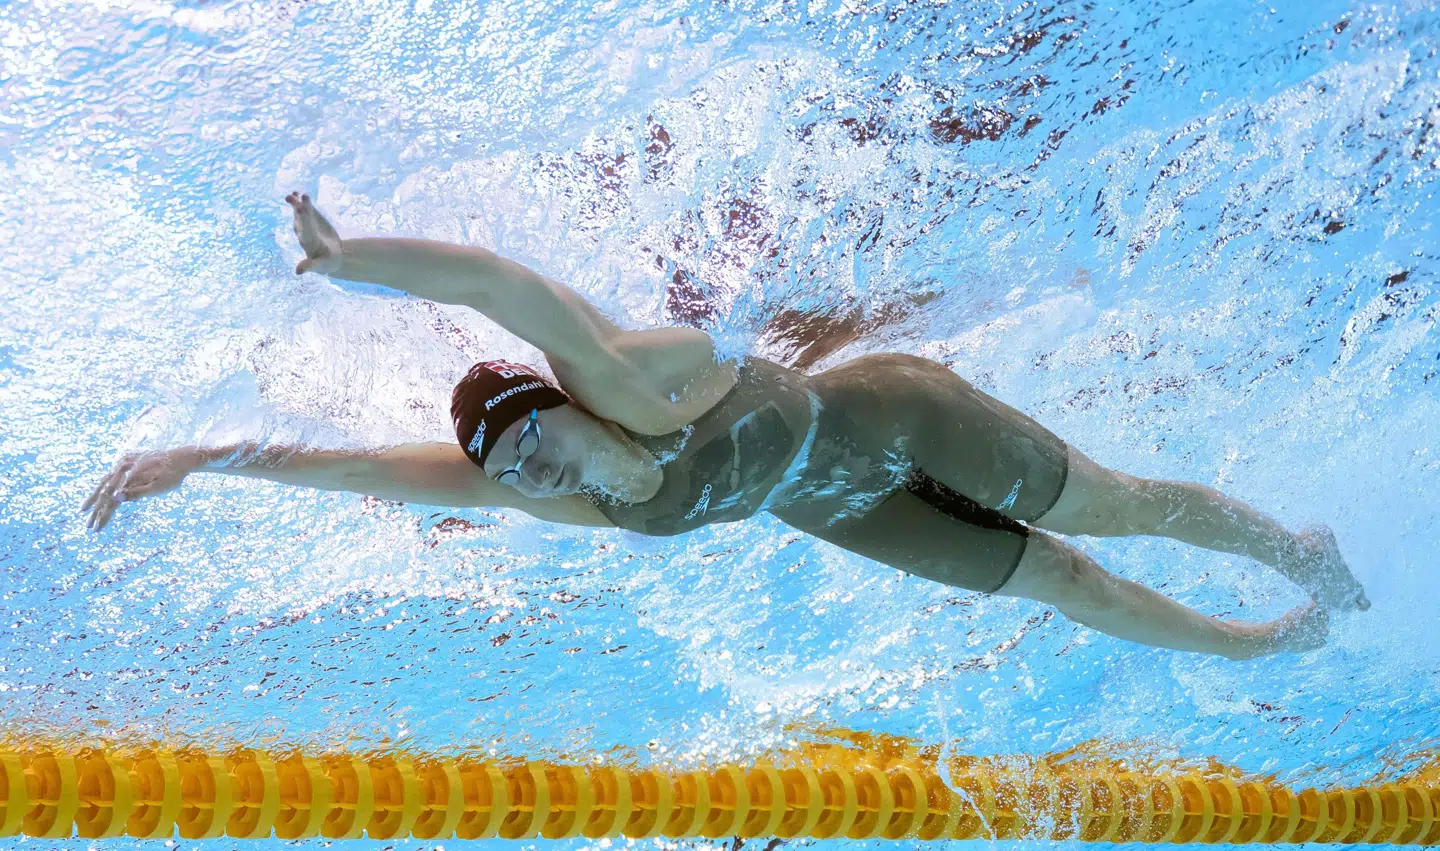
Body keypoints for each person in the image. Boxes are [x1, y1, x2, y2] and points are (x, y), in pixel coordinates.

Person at [83, 192, 1370, 661]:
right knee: (1059, 581)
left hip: (898, 413)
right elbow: (355, 470)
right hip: (837, 503)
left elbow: (503, 287)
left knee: (1109, 506)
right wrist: (199, 462)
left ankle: (1295, 549)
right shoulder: (552, 489)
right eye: (509, 470)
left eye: (528, 440)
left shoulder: (631, 385)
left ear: (559, 401)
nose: (529, 472)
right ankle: (1255, 644)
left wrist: (355, 258)